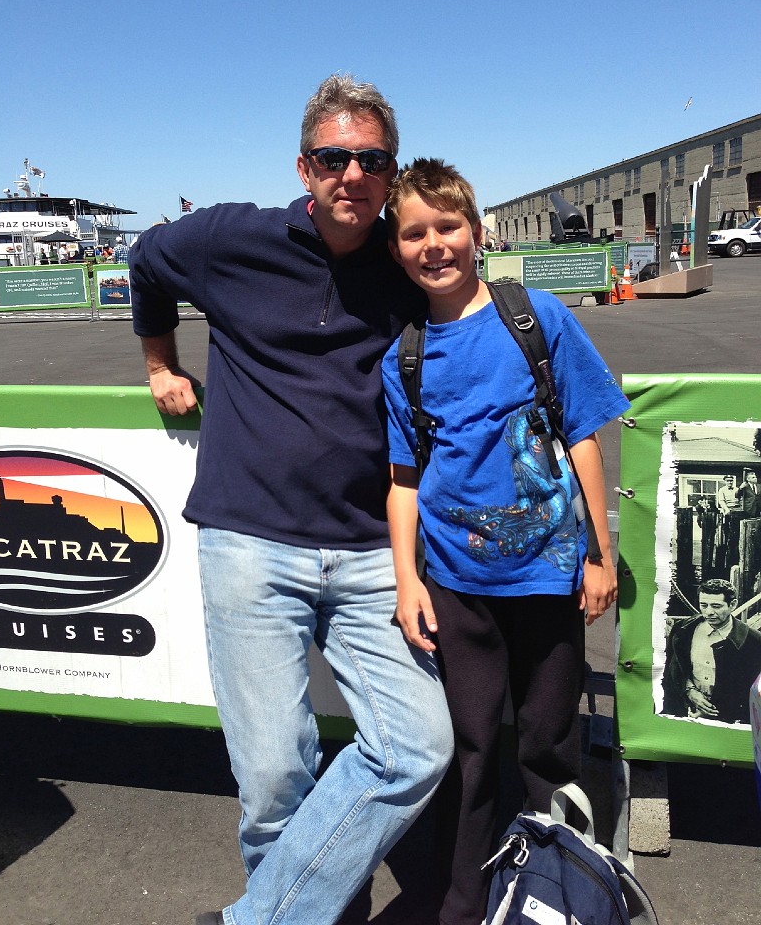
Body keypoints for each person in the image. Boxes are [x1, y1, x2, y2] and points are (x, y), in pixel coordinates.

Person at [128, 75, 453, 925]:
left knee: (416, 748)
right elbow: (146, 262)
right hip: (250, 541)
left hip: (374, 549)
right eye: (334, 158)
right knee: (275, 779)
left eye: (372, 160)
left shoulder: (405, 260)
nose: (353, 175)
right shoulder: (230, 238)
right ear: (304, 167)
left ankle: (256, 921)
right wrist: (160, 364)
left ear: (391, 172)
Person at [380, 158, 630, 925]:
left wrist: (598, 554)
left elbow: (583, 436)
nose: (434, 245)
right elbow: (404, 480)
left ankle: (558, 891)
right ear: (397, 250)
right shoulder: (405, 357)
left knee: (549, 745)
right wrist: (407, 581)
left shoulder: (536, 320)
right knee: (472, 749)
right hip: (457, 587)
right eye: (414, 233)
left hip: (548, 576)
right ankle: (463, 902)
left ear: (477, 233)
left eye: (447, 226)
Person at [662, 578, 761, 724]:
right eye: (704, 605)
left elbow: (750, 692)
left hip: (727, 722)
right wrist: (689, 690)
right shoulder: (682, 630)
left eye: (716, 606)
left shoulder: (754, 642)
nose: (708, 612)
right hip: (684, 714)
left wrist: (709, 711)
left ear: (733, 605)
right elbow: (673, 670)